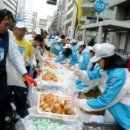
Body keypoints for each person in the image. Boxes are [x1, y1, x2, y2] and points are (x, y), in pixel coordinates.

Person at [68, 43, 130, 130]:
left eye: (99, 60)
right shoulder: (107, 68)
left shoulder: (119, 75)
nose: (97, 62)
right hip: (114, 113)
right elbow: (92, 76)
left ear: (107, 59)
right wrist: (81, 74)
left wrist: (81, 103)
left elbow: (106, 100)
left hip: (125, 116)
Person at [0, 9, 37, 130]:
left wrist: (25, 74)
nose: (7, 28)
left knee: (3, 100)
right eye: (5, 25)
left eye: (9, 26)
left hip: (2, 75)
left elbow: (15, 56)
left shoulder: (9, 35)